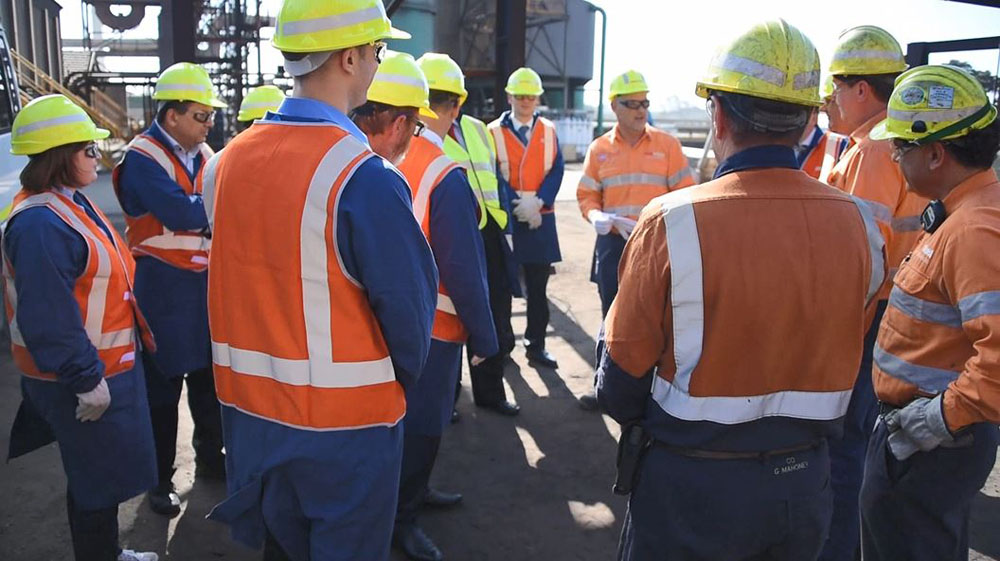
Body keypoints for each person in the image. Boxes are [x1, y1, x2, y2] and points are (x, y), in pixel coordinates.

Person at [596, 20, 886, 560]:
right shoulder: (861, 226)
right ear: (806, 121)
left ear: (720, 114)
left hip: (691, 489)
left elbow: (620, 382)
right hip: (804, 487)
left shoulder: (671, 221)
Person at [203, 2, 438, 560]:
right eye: (378, 52)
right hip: (346, 435)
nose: (380, 63)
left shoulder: (227, 162)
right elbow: (408, 319)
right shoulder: (365, 177)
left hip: (251, 419)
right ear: (351, 57)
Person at [353, 50, 498, 561]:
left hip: (376, 325)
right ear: (454, 105)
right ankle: (403, 519)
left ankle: (408, 498)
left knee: (396, 427)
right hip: (434, 331)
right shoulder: (446, 172)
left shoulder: (368, 154)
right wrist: (485, 337)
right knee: (424, 428)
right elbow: (463, 270)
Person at [3, 94, 159, 561]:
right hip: (82, 378)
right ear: (58, 157)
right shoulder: (39, 224)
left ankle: (106, 552)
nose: (98, 157)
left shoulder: (65, 204)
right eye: (88, 150)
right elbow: (48, 315)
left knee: (101, 477)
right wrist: (86, 378)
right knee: (95, 483)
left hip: (103, 369)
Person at [860, 64, 1000, 561]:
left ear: (936, 152)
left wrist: (939, 418)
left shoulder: (975, 228)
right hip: (923, 435)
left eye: (900, 147)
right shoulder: (962, 212)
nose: (895, 157)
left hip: (929, 440)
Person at [818, 26, 927, 561]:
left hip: (868, 320)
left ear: (862, 89)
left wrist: (835, 335)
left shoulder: (872, 149)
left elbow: (860, 255)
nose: (831, 99)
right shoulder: (894, 142)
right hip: (892, 314)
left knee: (843, 456)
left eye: (837, 87)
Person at [112, 61, 227, 516]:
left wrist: (206, 207)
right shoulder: (142, 159)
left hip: (200, 286)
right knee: (161, 392)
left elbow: (199, 208)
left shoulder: (200, 153)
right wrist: (213, 205)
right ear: (172, 115)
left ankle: (211, 459)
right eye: (201, 116)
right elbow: (183, 214)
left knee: (206, 379)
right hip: (161, 288)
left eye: (210, 117)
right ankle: (158, 482)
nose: (208, 124)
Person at [576, 69, 695, 411]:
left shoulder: (667, 146)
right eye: (632, 104)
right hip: (613, 246)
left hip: (657, 249)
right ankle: (606, 388)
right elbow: (587, 194)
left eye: (644, 103)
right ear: (614, 106)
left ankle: (657, 391)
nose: (641, 110)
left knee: (660, 319)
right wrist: (595, 216)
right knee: (611, 317)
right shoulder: (599, 149)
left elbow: (686, 196)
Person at [419, 53, 521, 416]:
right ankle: (449, 399)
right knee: (450, 314)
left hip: (489, 233)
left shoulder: (479, 129)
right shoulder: (420, 139)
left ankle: (489, 393)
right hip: (448, 235)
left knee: (494, 312)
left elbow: (495, 177)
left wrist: (505, 221)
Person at [488, 67, 564, 370]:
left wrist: (539, 201)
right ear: (509, 97)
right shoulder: (492, 131)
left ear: (538, 99)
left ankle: (536, 347)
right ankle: (504, 347)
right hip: (508, 217)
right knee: (503, 287)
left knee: (538, 289)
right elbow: (491, 170)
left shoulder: (549, 129)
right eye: (520, 96)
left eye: (530, 96)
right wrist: (516, 204)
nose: (525, 101)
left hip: (540, 219)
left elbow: (557, 170)